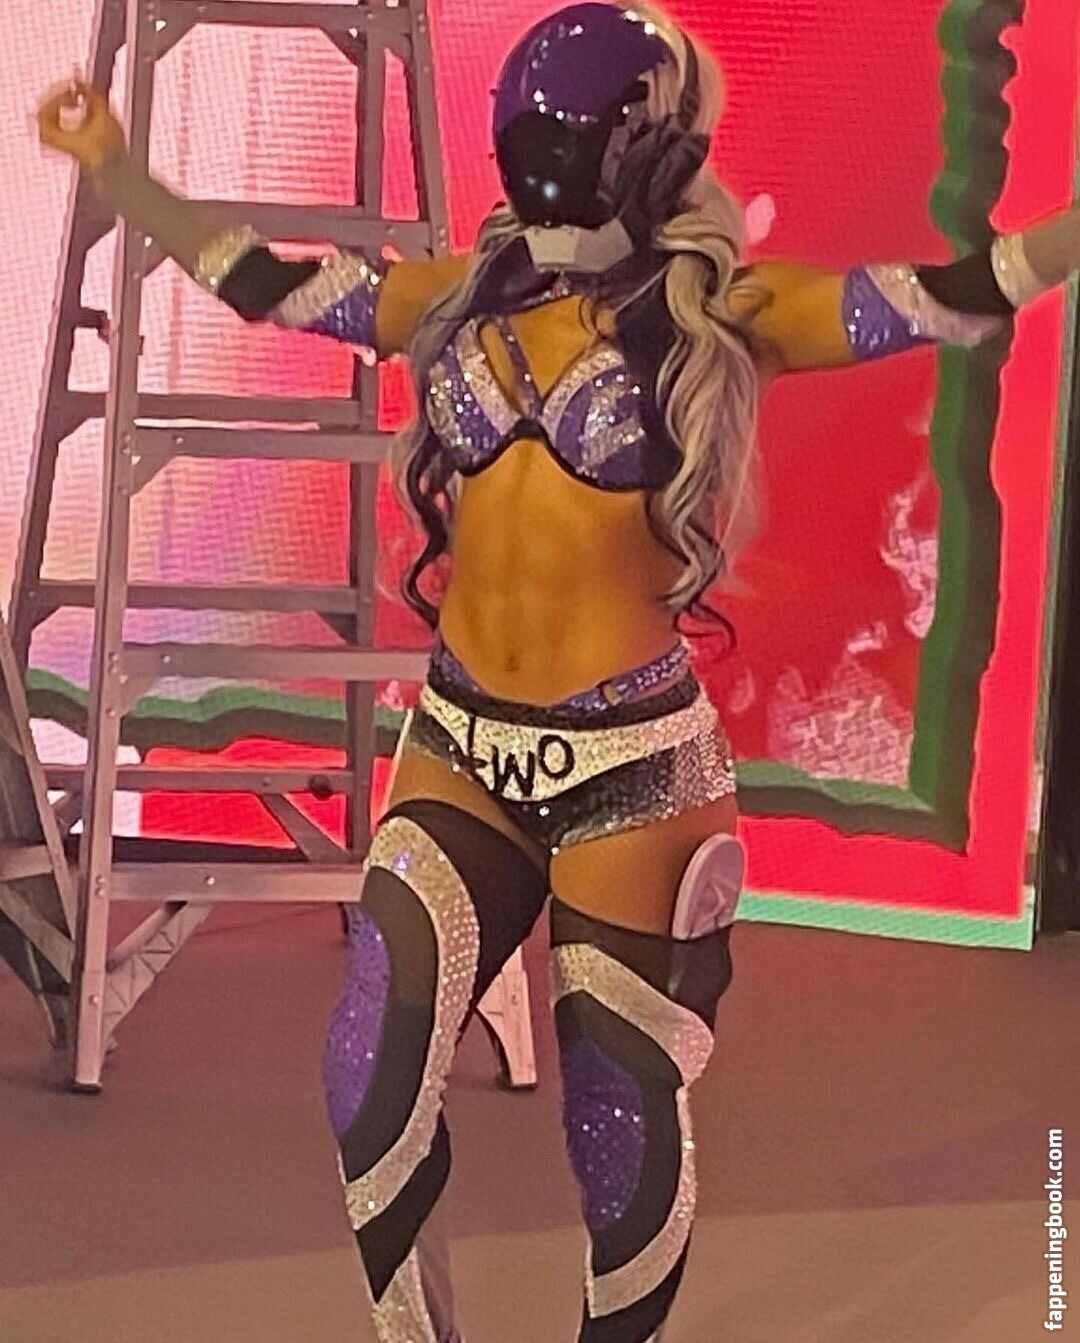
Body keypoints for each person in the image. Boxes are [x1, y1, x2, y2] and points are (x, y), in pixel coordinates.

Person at [38, 4, 1079, 1339]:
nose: (545, 169)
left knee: (617, 1110)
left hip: (632, 769)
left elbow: (955, 293)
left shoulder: (724, 310)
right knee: (370, 1065)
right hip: (462, 740)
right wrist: (119, 170)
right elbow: (270, 284)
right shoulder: (463, 296)